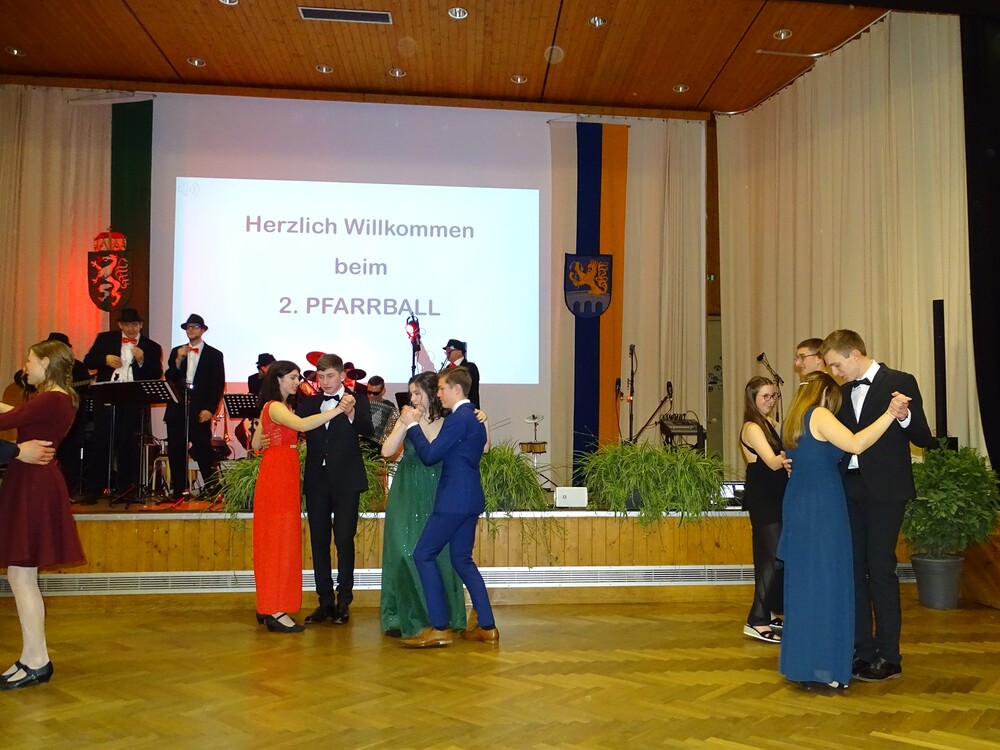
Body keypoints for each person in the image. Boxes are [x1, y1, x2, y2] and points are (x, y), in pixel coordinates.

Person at [778, 371, 911, 690]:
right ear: (825, 393)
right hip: (823, 506)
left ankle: (804, 666)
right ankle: (824, 668)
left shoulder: (794, 418)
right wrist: (889, 414)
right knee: (828, 585)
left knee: (805, 587)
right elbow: (855, 443)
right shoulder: (820, 414)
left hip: (799, 503)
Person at [819, 329, 934, 683]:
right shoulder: (839, 392)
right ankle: (862, 650)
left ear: (854, 354)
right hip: (847, 488)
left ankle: (890, 656)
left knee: (881, 569)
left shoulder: (900, 381)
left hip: (885, 491)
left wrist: (904, 415)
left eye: (836, 365)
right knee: (853, 570)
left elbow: (922, 437)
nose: (834, 372)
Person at [0, 340, 86, 690]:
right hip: (33, 481)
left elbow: (8, 419)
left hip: (33, 485)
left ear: (47, 362)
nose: (25, 367)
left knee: (21, 576)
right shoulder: (58, 397)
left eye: (30, 360)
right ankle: (32, 657)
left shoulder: (52, 399)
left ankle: (37, 661)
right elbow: (19, 414)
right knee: (20, 574)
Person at [379, 372, 490, 638]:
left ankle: (439, 626)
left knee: (425, 555)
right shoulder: (468, 417)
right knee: (461, 559)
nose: (413, 398)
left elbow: (430, 455)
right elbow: (387, 451)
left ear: (452, 390)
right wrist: (406, 423)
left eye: (420, 392)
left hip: (447, 496)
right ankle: (487, 626)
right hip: (456, 496)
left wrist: (413, 426)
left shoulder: (455, 419)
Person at [250, 360, 345, 634]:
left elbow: (256, 443)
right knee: (279, 539)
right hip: (279, 474)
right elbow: (302, 424)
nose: (297, 381)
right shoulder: (276, 407)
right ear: (278, 379)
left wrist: (267, 441)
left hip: (279, 470)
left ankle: (267, 604)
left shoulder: (273, 407)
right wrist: (338, 410)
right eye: (292, 377)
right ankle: (275, 610)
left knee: (274, 538)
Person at [297, 353, 374, 625]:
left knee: (343, 539)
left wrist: (350, 412)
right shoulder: (309, 403)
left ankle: (344, 601)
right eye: (321, 376)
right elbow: (295, 427)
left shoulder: (358, 399)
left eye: (330, 376)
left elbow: (368, 430)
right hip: (317, 480)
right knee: (318, 542)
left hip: (346, 481)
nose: (325, 381)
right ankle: (325, 602)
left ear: (342, 375)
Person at [82, 308, 163, 500]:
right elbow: (88, 361)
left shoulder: (151, 346)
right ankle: (94, 489)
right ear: (120, 325)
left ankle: (126, 489)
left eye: (135, 324)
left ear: (141, 325)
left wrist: (142, 361)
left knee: (129, 445)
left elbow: (156, 374)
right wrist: (104, 360)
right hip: (107, 397)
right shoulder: (105, 339)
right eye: (127, 324)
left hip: (133, 400)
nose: (131, 328)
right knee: (102, 442)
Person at [738, 376, 788, 644]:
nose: (771, 401)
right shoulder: (752, 427)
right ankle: (756, 620)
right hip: (764, 497)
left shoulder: (770, 424)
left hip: (776, 495)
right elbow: (772, 462)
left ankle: (766, 612)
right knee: (772, 559)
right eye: (765, 396)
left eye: (774, 396)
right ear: (753, 399)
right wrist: (793, 458)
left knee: (774, 557)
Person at [164, 314, 225, 500]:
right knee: (176, 450)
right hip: (177, 407)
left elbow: (217, 384)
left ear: (203, 330)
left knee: (203, 448)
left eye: (195, 327)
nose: (191, 330)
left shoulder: (214, 354)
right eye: (188, 327)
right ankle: (179, 490)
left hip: (200, 407)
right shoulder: (177, 351)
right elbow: (170, 377)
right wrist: (177, 361)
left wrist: (210, 409)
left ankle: (212, 488)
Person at [441, 339, 480, 408]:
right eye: (446, 351)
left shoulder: (470, 367)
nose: (447, 353)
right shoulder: (447, 368)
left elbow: (470, 390)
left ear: (459, 352)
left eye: (450, 351)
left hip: (467, 407)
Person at [366, 375, 399, 444]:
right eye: (369, 392)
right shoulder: (361, 403)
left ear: (383, 391)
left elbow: (394, 428)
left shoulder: (389, 406)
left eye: (375, 393)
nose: (371, 395)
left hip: (382, 444)